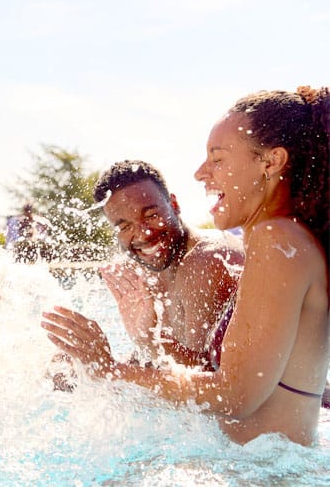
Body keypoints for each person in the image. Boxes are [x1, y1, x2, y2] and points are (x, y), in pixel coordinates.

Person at [43, 86, 329, 445]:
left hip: (264, 474)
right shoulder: (282, 239)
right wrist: (144, 340)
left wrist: (109, 370)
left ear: (270, 163)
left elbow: (235, 395)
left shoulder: (278, 240)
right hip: (254, 466)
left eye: (218, 159)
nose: (200, 173)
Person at [48, 160, 243, 390]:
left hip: (247, 416)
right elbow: (162, 364)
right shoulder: (156, 265)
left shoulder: (206, 263)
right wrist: (87, 364)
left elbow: (209, 385)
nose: (142, 234)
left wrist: (141, 343)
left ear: (174, 204)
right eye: (124, 227)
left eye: (150, 215)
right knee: (62, 371)